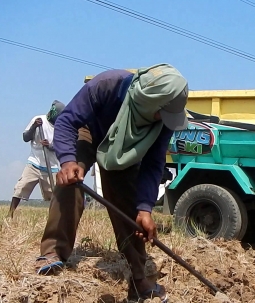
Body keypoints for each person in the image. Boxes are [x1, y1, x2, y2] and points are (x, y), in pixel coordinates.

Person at [35, 64, 188, 303]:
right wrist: (67, 161)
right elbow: (67, 121)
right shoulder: (107, 85)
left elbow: (153, 164)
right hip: (90, 131)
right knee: (71, 181)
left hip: (124, 150)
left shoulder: (165, 121)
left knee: (129, 208)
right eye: (160, 113)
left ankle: (138, 277)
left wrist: (145, 208)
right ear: (148, 101)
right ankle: (53, 251)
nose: (162, 119)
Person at [8, 101, 65, 218]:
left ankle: (54, 218)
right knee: (20, 188)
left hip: (51, 166)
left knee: (55, 195)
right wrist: (34, 126)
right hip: (34, 163)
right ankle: (10, 214)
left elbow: (61, 147)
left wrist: (49, 146)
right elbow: (25, 137)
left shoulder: (61, 128)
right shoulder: (39, 119)